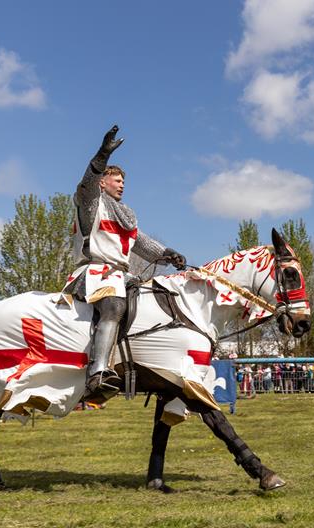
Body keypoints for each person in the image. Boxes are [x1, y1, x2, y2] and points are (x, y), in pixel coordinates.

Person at [63, 126, 186, 401]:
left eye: (122, 181)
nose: (122, 184)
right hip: (94, 272)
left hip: (120, 275)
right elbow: (86, 182)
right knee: (114, 305)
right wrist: (102, 154)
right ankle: (97, 372)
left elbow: (143, 244)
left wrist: (169, 253)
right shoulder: (91, 203)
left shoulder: (125, 214)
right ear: (102, 183)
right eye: (116, 180)